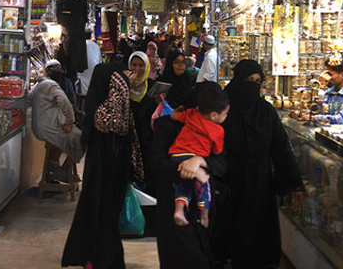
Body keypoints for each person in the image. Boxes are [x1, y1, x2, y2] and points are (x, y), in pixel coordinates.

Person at [213, 59, 304, 269]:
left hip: (259, 184)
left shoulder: (266, 112)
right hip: (229, 182)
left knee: (256, 236)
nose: (253, 86)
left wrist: (295, 183)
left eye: (257, 81)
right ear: (238, 80)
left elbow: (280, 148)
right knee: (228, 232)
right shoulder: (224, 110)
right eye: (248, 80)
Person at [62, 62, 144, 269]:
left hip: (113, 170)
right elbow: (117, 123)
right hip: (103, 170)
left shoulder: (107, 103)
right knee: (101, 214)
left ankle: (98, 257)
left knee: (104, 216)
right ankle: (97, 258)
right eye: (116, 84)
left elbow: (125, 127)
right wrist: (123, 84)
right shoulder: (103, 112)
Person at [169, 83, 229, 228]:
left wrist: (177, 111)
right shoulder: (218, 130)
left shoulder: (191, 114)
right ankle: (204, 217)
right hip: (193, 158)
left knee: (182, 188)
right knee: (203, 187)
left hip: (176, 155)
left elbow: (173, 115)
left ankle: (179, 211)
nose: (226, 117)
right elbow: (217, 152)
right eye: (225, 114)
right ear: (214, 115)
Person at [29, 60, 84, 182]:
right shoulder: (50, 85)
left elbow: (28, 99)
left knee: (69, 138)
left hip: (41, 128)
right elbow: (65, 102)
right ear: (48, 71)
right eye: (56, 69)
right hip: (49, 129)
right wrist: (70, 122)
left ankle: (53, 163)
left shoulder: (41, 84)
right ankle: (63, 170)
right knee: (81, 138)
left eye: (60, 69)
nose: (59, 72)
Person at [127, 51, 158, 194]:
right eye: (133, 65)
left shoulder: (152, 86)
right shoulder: (124, 85)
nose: (137, 69)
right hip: (129, 137)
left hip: (148, 137)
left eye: (141, 65)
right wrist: (127, 87)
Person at [306, 54, 343, 125]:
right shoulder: (330, 92)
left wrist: (312, 118)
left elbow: (342, 119)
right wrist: (320, 87)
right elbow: (316, 111)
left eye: (330, 74)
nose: (327, 77)